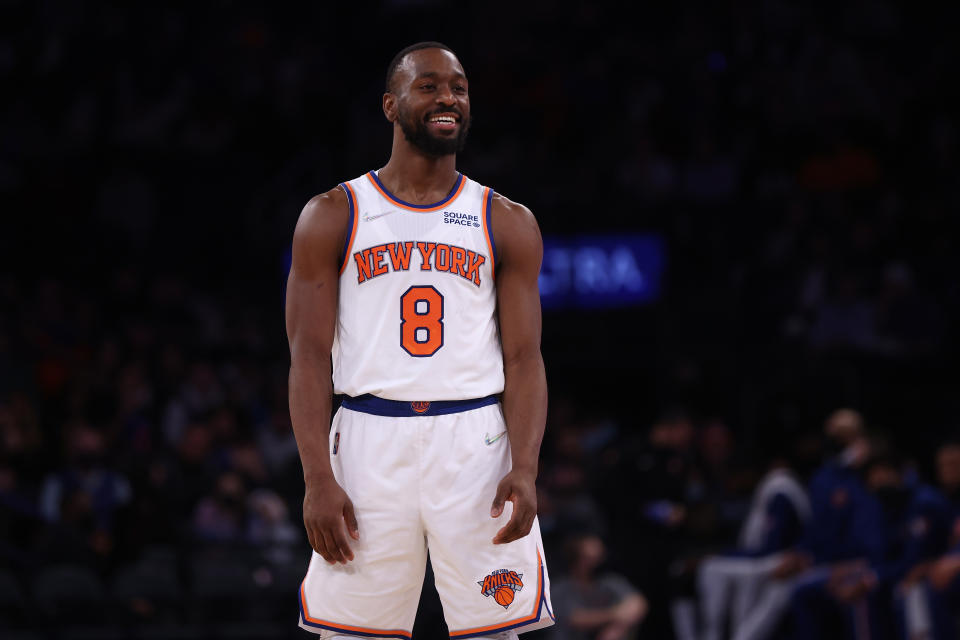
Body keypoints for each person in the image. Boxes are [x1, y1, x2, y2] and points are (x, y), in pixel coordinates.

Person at [285, 42, 554, 640]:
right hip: (366, 442)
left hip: (477, 442)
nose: (448, 99)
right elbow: (307, 356)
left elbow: (524, 357)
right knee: (353, 635)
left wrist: (527, 466)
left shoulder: (505, 219)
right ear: (391, 105)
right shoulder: (334, 214)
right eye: (429, 86)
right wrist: (316, 479)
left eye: (458, 87)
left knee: (497, 631)